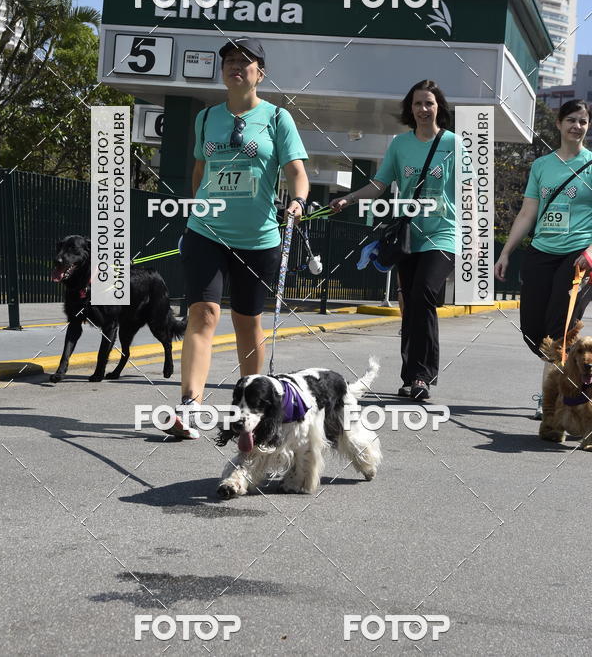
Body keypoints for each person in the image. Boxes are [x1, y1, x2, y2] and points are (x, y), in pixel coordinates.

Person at [170, 37, 309, 438]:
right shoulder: (206, 118)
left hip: (259, 237)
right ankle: (190, 406)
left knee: (248, 323)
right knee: (203, 315)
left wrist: (298, 201)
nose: (236, 66)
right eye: (229, 60)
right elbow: (200, 170)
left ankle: (255, 408)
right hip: (206, 233)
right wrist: (198, 206)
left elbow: (296, 170)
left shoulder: (278, 118)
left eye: (244, 62)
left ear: (259, 73)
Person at [330, 80, 457, 401]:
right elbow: (379, 183)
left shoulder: (456, 144)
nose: (424, 109)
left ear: (439, 106)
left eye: (429, 103)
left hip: (444, 233)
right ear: (410, 109)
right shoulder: (400, 145)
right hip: (409, 235)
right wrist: (350, 199)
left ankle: (422, 376)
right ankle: (412, 375)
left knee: (425, 294)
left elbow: (471, 190)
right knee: (412, 302)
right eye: (417, 104)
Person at [494, 99, 592, 417]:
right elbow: (527, 213)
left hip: (578, 257)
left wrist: (590, 254)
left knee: (558, 329)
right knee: (532, 328)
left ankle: (549, 400)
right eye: (571, 120)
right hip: (541, 253)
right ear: (559, 124)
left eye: (583, 121)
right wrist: (506, 252)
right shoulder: (542, 166)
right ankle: (569, 382)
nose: (577, 126)